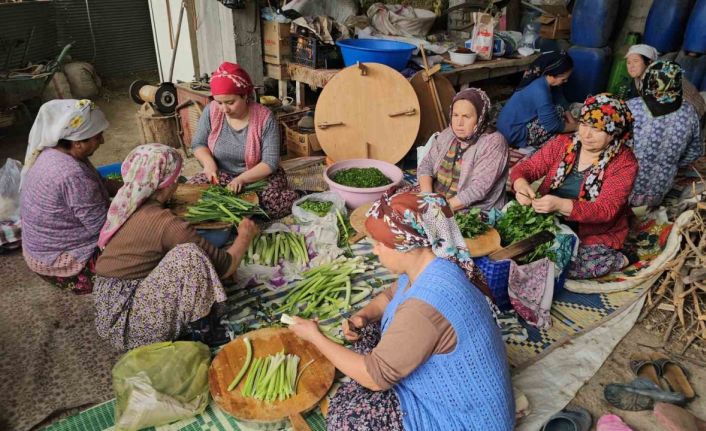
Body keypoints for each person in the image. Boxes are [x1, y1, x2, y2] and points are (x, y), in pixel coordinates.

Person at [289, 191, 515, 431]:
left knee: (348, 417)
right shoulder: (438, 262)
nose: (375, 251)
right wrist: (362, 316)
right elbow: (390, 295)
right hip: (466, 398)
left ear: (405, 246)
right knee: (367, 334)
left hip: (466, 421)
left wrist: (315, 336)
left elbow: (374, 378)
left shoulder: (425, 307)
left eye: (379, 245)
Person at [93, 144, 258, 350]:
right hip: (127, 325)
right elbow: (226, 266)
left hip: (109, 307)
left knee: (185, 253)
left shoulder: (126, 204)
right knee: (189, 256)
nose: (177, 184)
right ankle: (204, 331)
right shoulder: (164, 222)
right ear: (166, 184)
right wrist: (244, 235)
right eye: (175, 179)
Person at [511, 94, 638, 280]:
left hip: (591, 230)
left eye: (596, 129)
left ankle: (621, 258)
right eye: (584, 124)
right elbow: (527, 168)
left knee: (561, 265)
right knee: (518, 249)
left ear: (613, 132)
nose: (586, 134)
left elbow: (605, 209)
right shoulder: (564, 143)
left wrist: (560, 205)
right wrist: (521, 184)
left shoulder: (624, 163)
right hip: (548, 218)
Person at [20, 99, 118, 294]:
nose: (103, 141)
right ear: (78, 142)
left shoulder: (56, 153)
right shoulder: (72, 174)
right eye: (97, 136)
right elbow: (105, 229)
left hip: (40, 251)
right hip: (63, 264)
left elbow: (103, 184)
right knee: (145, 247)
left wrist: (136, 188)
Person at [188, 62, 298, 219]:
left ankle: (298, 195)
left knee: (271, 204)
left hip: (259, 176)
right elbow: (198, 144)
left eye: (230, 102)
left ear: (245, 95)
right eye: (219, 102)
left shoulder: (265, 118)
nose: (224, 109)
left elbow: (270, 162)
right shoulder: (212, 111)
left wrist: (242, 179)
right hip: (222, 174)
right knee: (193, 195)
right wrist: (209, 164)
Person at [417, 88, 509, 211]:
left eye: (466, 116)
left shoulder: (494, 142)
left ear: (480, 118)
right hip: (437, 200)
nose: (459, 122)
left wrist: (442, 209)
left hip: (472, 209)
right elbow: (426, 164)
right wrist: (426, 197)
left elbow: (478, 188)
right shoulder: (448, 134)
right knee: (395, 206)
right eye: (455, 115)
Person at [627, 61, 703, 208]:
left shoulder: (633, 107)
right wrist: (669, 162)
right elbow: (695, 151)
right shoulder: (689, 112)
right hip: (658, 193)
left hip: (624, 188)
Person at [497, 51, 577, 149]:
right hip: (513, 134)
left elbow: (559, 97)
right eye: (564, 79)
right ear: (555, 74)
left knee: (559, 109)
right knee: (557, 113)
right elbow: (552, 126)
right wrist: (577, 127)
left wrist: (572, 121)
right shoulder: (540, 91)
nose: (566, 81)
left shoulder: (542, 79)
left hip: (506, 127)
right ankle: (526, 142)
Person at [625, 44, 705, 121]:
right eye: (628, 62)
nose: (631, 66)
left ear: (649, 62)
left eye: (635, 61)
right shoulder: (639, 77)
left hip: (693, 114)